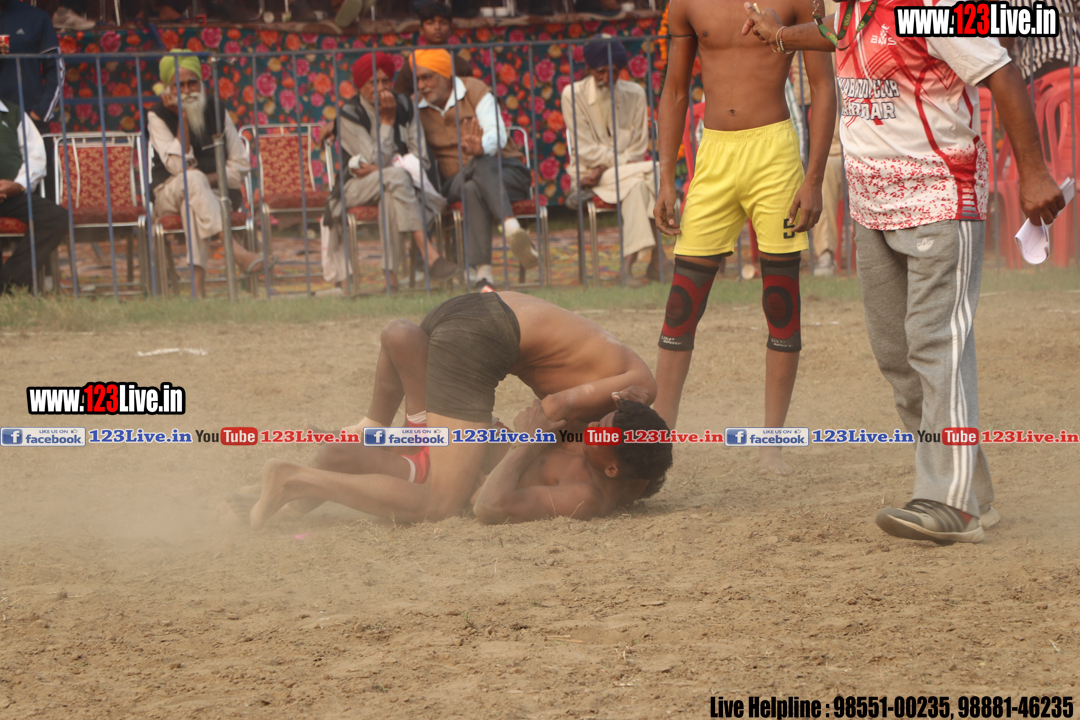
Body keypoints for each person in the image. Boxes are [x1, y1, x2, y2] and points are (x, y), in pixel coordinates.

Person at [743, 0, 1065, 543]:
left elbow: (1003, 72)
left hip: (941, 197)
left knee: (936, 345)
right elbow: (836, 32)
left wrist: (1033, 172)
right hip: (872, 208)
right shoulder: (853, 8)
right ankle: (972, 492)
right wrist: (780, 36)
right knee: (897, 356)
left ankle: (951, 504)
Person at [246, 290, 663, 526]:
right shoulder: (630, 399)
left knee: (402, 340)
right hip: (486, 336)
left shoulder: (594, 473)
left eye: (599, 428)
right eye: (601, 420)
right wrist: (531, 438)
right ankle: (294, 480)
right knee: (439, 504)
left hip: (470, 311)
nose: (592, 427)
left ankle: (290, 482)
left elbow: (546, 418)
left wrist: (531, 437)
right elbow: (552, 410)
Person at [651, 0, 836, 474]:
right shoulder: (685, 3)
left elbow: (823, 87)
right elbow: (675, 91)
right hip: (713, 155)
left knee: (780, 302)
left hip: (774, 153)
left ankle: (771, 445)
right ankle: (656, 445)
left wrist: (814, 178)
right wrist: (666, 177)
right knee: (681, 306)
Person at [320, 54, 457, 292]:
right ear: (360, 86)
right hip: (356, 186)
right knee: (396, 177)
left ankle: (390, 280)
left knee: (391, 193)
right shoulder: (349, 114)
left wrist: (381, 170)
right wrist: (387, 121)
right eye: (373, 82)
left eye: (385, 81)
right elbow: (372, 161)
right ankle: (429, 253)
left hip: (396, 184)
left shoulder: (405, 105)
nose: (381, 88)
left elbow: (421, 156)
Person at [148, 52, 272, 298]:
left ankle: (198, 289)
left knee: (192, 201)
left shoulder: (217, 110)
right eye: (179, 85)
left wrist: (205, 180)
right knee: (191, 180)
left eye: (192, 83)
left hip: (214, 194)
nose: (187, 91)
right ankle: (236, 252)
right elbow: (178, 168)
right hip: (169, 193)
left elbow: (241, 164)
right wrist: (183, 117)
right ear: (169, 89)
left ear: (201, 83)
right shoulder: (157, 115)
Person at [412, 49, 535, 291]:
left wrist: (482, 147)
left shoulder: (475, 90)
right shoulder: (417, 107)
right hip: (455, 180)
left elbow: (497, 133)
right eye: (418, 79)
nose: (421, 85)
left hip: (506, 173)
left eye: (427, 77)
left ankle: (483, 274)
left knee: (476, 178)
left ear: (445, 75)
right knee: (472, 175)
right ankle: (512, 228)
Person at [562, 36, 671, 285]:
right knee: (656, 170)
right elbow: (584, 149)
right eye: (600, 71)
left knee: (638, 187)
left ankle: (627, 268)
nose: (606, 78)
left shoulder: (635, 93)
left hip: (624, 174)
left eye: (613, 72)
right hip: (589, 176)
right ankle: (660, 258)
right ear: (589, 69)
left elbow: (637, 148)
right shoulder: (573, 94)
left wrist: (605, 166)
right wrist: (603, 168)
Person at [0, 98, 67, 293]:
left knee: (55, 217)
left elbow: (35, 158)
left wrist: (18, 185)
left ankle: (11, 282)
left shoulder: (13, 114)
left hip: (10, 195)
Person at [393, 2, 473, 98]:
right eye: (430, 23)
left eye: (443, 23)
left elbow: (469, 98)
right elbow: (400, 99)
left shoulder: (461, 66)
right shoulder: (412, 65)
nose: (437, 27)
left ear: (450, 29)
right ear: (421, 30)